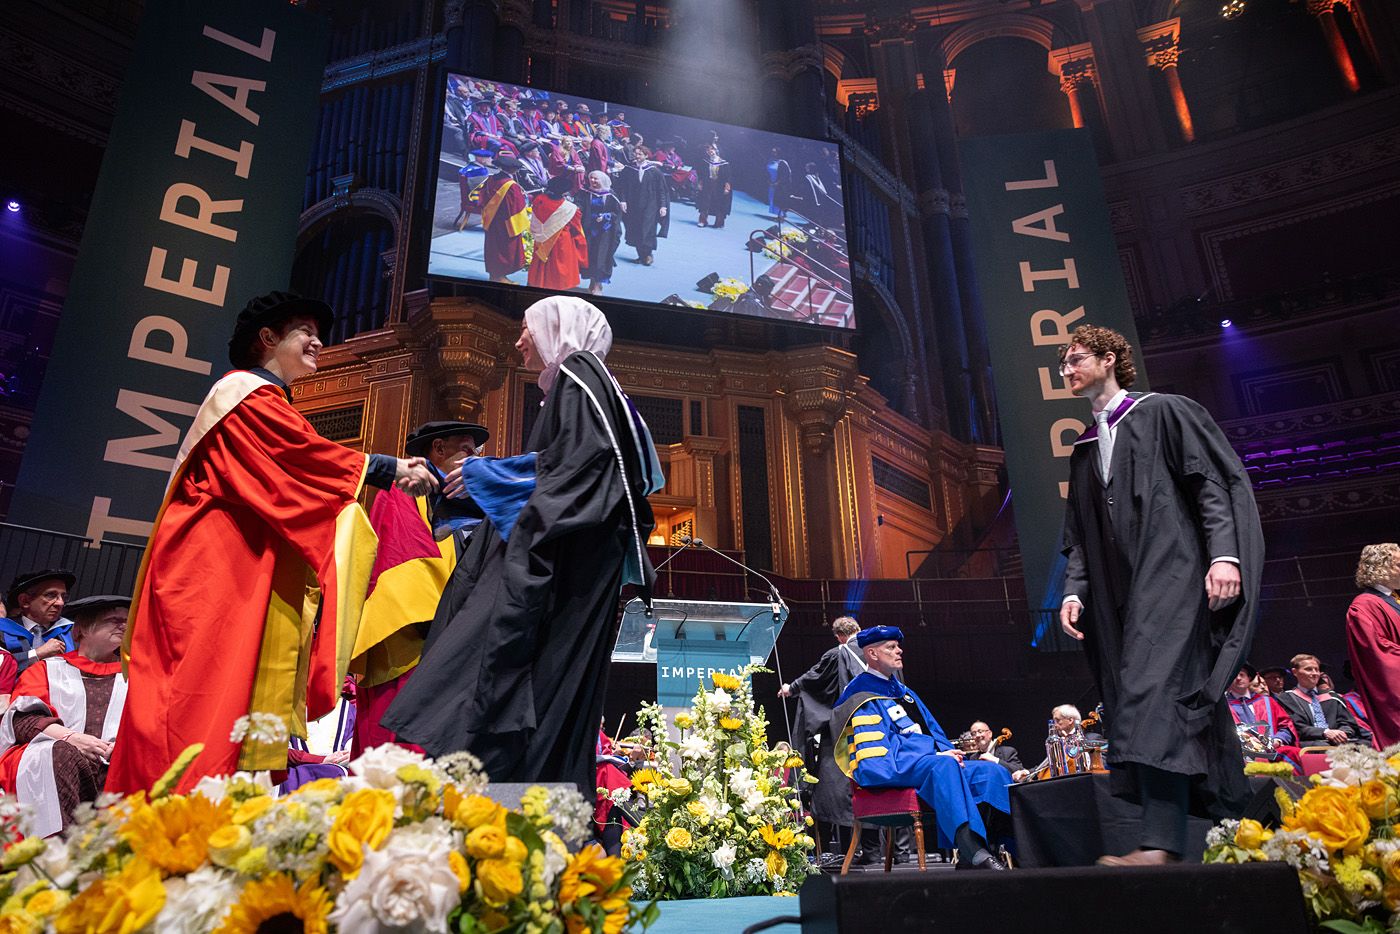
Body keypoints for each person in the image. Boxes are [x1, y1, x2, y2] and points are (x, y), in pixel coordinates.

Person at [105, 291, 436, 795]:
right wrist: (385, 468)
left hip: (242, 567)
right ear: (268, 338)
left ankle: (215, 817)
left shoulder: (270, 402)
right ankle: (169, 820)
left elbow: (296, 471)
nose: (318, 342)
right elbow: (300, 458)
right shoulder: (241, 394)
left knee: (231, 698)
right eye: (305, 331)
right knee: (197, 696)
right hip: (213, 571)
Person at [383, 296, 663, 797]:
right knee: (549, 693)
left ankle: (509, 805)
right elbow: (563, 470)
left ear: (557, 329)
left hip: (562, 570)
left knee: (504, 669)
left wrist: (484, 474)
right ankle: (526, 803)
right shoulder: (595, 387)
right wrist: (482, 484)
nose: (518, 341)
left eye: (526, 330)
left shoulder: (579, 374)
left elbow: (576, 471)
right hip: (576, 564)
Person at [1058, 324, 1264, 867]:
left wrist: (1225, 555)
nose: (1067, 370)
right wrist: (1074, 591)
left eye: (1075, 359)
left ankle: (1161, 844)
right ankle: (1249, 830)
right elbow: (1078, 533)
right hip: (1118, 594)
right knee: (1157, 702)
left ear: (1108, 359)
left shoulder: (1164, 412)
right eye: (1062, 364)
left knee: (1150, 697)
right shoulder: (1084, 448)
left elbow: (1210, 485)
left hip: (1173, 577)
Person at [350, 420, 489, 757]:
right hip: (412, 642)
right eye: (466, 449)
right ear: (438, 449)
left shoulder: (462, 500)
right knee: (398, 753)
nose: (474, 459)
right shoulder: (407, 488)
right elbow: (400, 559)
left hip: (446, 641)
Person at [832, 626, 1010, 870]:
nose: (899, 651)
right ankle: (972, 849)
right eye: (891, 647)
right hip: (892, 769)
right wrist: (937, 755)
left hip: (927, 765)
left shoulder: (905, 694)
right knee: (945, 764)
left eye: (898, 646)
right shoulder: (861, 696)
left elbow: (933, 733)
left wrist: (950, 752)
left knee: (991, 772)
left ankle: (991, 848)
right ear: (872, 654)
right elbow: (875, 758)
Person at [0, 595, 129, 837]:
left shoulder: (137, 676)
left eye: (126, 621)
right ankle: (56, 851)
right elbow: (23, 720)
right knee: (59, 753)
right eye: (113, 620)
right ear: (80, 630)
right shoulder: (47, 669)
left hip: (116, 762)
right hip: (54, 755)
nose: (123, 625)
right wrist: (72, 739)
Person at [780, 616, 865, 865]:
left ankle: (850, 849)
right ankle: (886, 850)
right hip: (876, 726)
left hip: (847, 729)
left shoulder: (839, 652)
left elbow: (815, 677)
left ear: (839, 636)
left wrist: (791, 688)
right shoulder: (877, 651)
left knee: (837, 783)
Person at [1345, 543, 1400, 749]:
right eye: (1398, 565)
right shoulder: (1365, 605)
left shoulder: (1393, 600)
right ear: (1381, 568)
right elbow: (1378, 652)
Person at [1273, 653, 1371, 747]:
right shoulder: (1286, 699)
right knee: (1323, 747)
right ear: (1295, 672)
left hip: (1339, 740)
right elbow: (1295, 727)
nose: (1314, 673)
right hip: (1310, 742)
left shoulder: (1333, 697)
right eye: (1309, 669)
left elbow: (1348, 722)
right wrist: (1325, 732)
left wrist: (1342, 732)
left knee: (1367, 745)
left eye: (1316, 669)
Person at [1224, 664, 1300, 772]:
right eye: (1234, 675)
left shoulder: (1268, 702)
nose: (1238, 678)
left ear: (1249, 678)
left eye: (1241, 674)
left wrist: (1277, 740)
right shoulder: (1223, 707)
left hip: (1274, 750)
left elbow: (1286, 727)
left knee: (1294, 754)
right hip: (1241, 755)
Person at [3, 570, 76, 672]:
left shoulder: (72, 632)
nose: (60, 603)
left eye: (64, 597)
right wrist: (37, 654)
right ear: (25, 601)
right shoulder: (3, 630)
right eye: (50, 595)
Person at [528, 173, 589, 291]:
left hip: (541, 239)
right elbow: (576, 230)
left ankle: (538, 282)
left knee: (541, 260)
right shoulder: (570, 209)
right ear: (564, 192)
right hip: (561, 241)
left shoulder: (539, 200)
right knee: (558, 266)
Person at [479, 152, 530, 283]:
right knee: (504, 250)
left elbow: (482, 199)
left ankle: (493, 276)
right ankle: (500, 277)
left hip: (491, 220)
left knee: (493, 247)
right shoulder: (510, 185)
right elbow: (515, 207)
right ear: (513, 169)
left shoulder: (490, 179)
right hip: (506, 224)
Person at [616, 146, 669, 266]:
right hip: (633, 203)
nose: (637, 156)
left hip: (650, 204)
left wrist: (663, 206)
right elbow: (622, 187)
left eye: (640, 154)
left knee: (648, 228)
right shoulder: (629, 169)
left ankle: (648, 254)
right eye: (635, 154)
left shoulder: (654, 171)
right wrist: (623, 201)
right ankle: (641, 255)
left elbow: (661, 190)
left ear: (646, 156)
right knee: (635, 228)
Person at [580, 171, 625, 296]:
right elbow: (579, 206)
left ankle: (598, 284)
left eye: (596, 179)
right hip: (588, 230)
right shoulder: (585, 193)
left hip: (606, 232)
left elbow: (617, 214)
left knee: (602, 257)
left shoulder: (611, 195)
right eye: (591, 178)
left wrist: (606, 216)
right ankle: (592, 281)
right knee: (590, 256)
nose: (593, 181)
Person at [695, 144, 732, 229]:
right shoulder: (705, 162)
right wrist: (700, 183)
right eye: (708, 149)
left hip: (720, 185)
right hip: (707, 183)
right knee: (705, 202)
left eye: (713, 149)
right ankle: (702, 220)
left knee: (719, 203)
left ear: (717, 150)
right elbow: (701, 174)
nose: (710, 151)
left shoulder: (724, 163)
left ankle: (719, 222)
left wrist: (727, 187)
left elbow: (728, 177)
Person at [766, 148, 792, 219]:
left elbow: (785, 175)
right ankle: (779, 214)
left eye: (775, 152)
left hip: (780, 186)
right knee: (772, 199)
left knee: (779, 200)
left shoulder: (783, 162)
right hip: (771, 183)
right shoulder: (771, 161)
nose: (773, 153)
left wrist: (777, 183)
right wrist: (768, 181)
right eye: (772, 152)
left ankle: (781, 216)